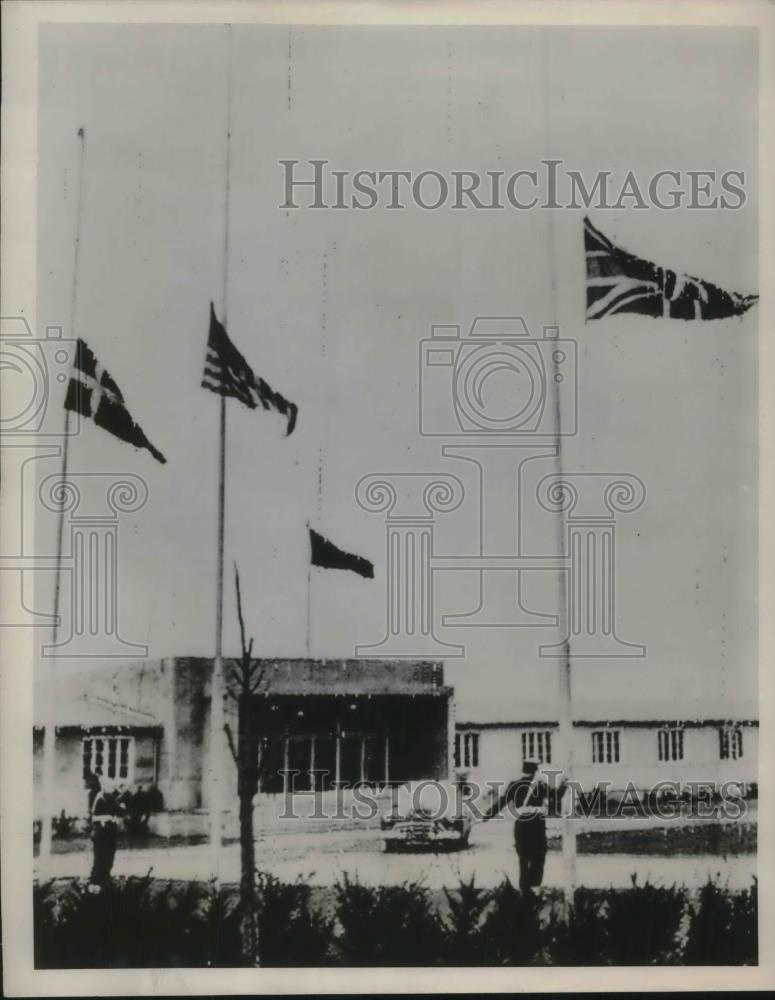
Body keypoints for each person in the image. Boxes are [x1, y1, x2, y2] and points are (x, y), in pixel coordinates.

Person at [483, 760, 553, 892]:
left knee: (523, 857)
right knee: (538, 855)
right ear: (534, 772)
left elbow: (502, 802)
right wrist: (564, 785)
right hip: (537, 824)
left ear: (523, 771)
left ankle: (524, 889)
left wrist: (486, 816)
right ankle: (534, 887)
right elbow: (555, 797)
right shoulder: (540, 785)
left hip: (521, 824)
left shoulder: (514, 785)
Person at [85, 771, 125, 891]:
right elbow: (120, 811)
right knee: (104, 859)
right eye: (111, 786)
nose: (113, 788)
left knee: (102, 859)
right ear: (105, 786)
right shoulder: (105, 797)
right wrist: (122, 806)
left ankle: (99, 883)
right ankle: (98, 883)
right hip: (105, 833)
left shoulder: (103, 796)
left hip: (103, 833)